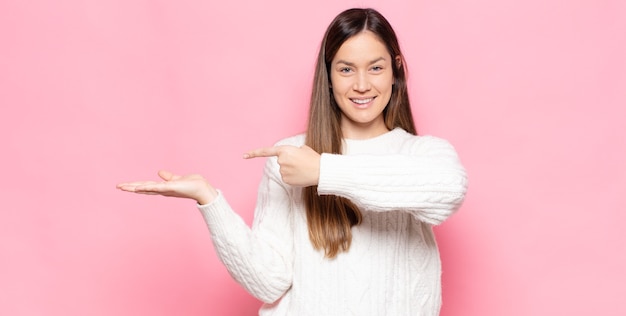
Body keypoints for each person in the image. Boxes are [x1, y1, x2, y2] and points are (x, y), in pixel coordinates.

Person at [117, 7, 468, 316]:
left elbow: (447, 190)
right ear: (328, 77)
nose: (362, 84)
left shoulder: (424, 154)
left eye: (375, 68)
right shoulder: (290, 157)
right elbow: (269, 282)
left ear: (395, 70)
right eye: (346, 70)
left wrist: (323, 171)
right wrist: (210, 200)